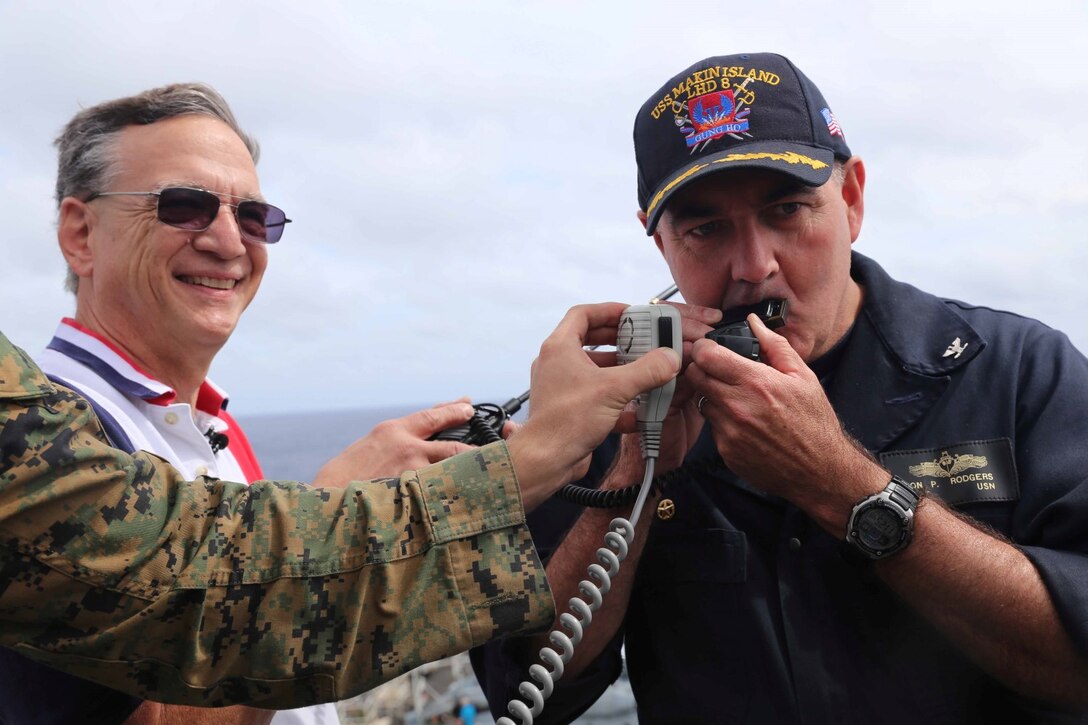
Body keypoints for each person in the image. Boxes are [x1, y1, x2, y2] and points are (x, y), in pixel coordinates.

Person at [472, 52, 1088, 723]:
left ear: (851, 201)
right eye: (705, 229)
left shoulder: (1019, 369)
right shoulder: (616, 408)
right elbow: (531, 688)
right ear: (663, 248)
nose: (754, 267)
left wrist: (841, 485)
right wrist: (635, 472)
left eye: (788, 210)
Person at [0, 304, 680, 711]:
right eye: (183, 205)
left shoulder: (214, 425)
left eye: (257, 216)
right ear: (78, 230)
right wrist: (517, 469)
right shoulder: (71, 431)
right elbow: (188, 604)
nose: (227, 238)